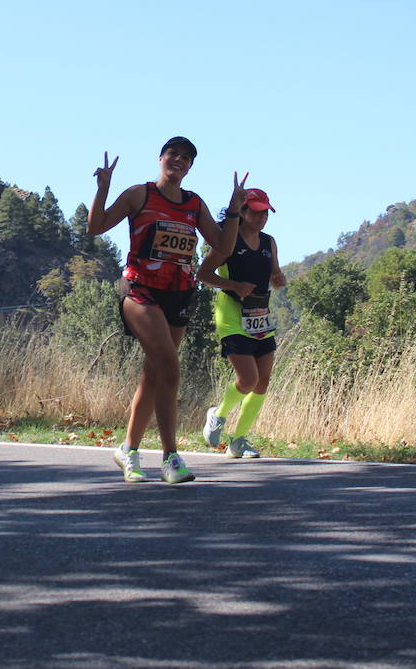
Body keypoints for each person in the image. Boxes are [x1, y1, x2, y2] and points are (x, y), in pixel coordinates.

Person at [87, 137, 245, 483]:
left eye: (186, 157)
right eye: (173, 153)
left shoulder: (193, 203)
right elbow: (96, 227)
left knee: (154, 373)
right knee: (170, 366)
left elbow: (222, 245)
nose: (179, 159)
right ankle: (171, 458)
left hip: (179, 294)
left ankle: (127, 450)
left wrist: (234, 210)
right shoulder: (139, 194)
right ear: (160, 158)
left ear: (190, 167)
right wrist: (103, 188)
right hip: (140, 289)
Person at [198, 188, 286, 459]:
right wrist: (234, 285)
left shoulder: (269, 242)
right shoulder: (229, 242)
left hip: (260, 315)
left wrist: (278, 278)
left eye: (265, 212)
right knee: (248, 379)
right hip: (231, 314)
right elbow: (203, 273)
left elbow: (274, 273)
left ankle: (239, 441)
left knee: (262, 382)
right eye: (256, 211)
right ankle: (218, 414)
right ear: (243, 211)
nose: (262, 218)